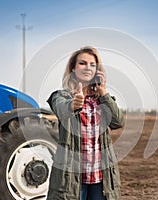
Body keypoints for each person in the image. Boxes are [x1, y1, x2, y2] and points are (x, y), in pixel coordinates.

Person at [47, 46, 124, 200]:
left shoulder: (102, 100)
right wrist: (73, 104)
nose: (88, 67)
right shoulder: (61, 96)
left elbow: (117, 122)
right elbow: (61, 109)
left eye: (92, 64)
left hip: (100, 178)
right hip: (71, 179)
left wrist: (103, 93)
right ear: (73, 69)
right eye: (82, 63)